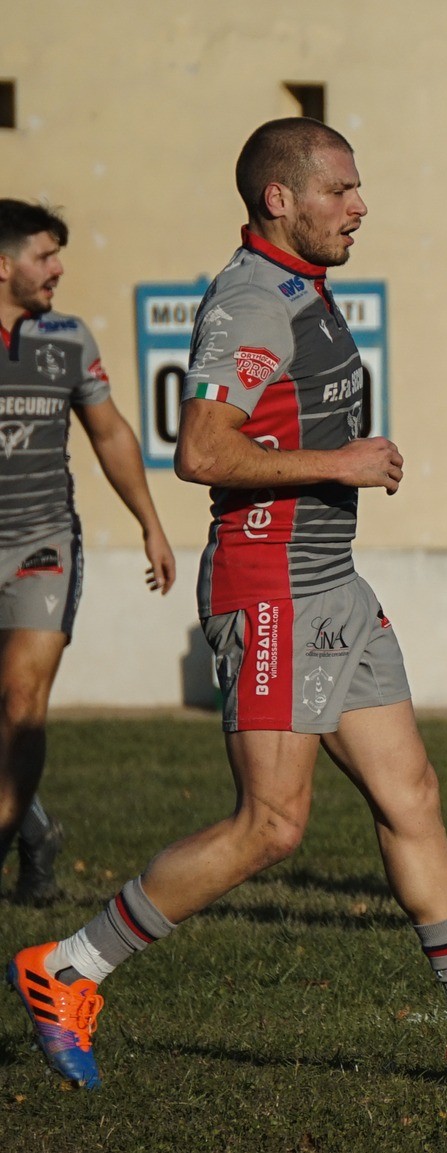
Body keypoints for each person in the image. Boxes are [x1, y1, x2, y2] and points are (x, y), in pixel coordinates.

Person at [7, 120, 447, 1090]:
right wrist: (341, 462)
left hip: (332, 581)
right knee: (271, 824)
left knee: (410, 794)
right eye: (340, 190)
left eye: (358, 188)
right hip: (273, 587)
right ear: (278, 199)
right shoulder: (252, 299)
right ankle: (68, 966)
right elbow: (202, 449)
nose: (359, 207)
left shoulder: (302, 288)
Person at [0, 200, 177, 905]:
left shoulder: (68, 338)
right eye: (45, 256)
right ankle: (35, 830)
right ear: (3, 265)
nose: (59, 269)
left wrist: (150, 524)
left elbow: (110, 434)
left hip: (41, 545)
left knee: (21, 702)